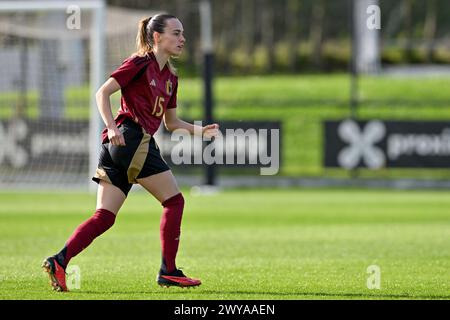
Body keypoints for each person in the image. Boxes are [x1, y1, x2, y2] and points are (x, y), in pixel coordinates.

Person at [42, 13, 219, 291]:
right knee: (174, 202)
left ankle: (59, 260)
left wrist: (200, 131)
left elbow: (171, 123)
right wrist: (111, 126)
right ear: (157, 37)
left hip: (121, 148)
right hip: (131, 140)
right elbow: (102, 93)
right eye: (176, 33)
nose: (182, 38)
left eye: (183, 33)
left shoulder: (171, 77)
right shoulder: (139, 63)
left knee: (104, 217)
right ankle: (168, 271)